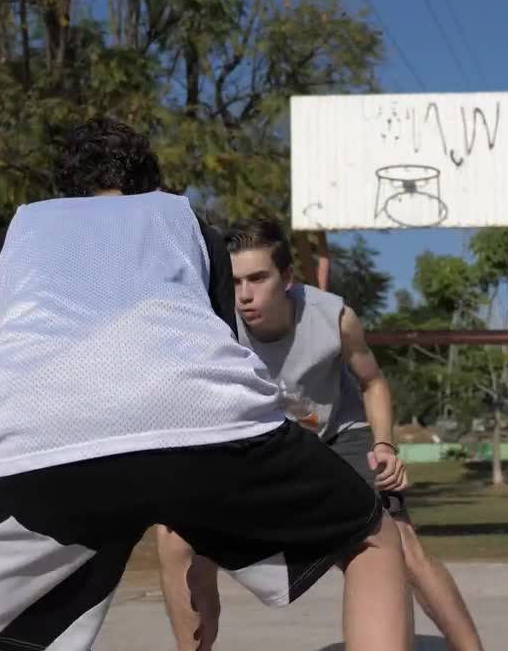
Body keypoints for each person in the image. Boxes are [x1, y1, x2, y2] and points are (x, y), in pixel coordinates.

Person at [0, 119, 412, 651]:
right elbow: (214, 346)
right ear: (149, 183)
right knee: (372, 539)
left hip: (36, 443)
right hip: (202, 425)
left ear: (63, 189)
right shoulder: (186, 223)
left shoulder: (18, 236)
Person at [156, 218, 485, 651]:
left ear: (287, 278)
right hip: (270, 446)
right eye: (235, 281)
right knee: (175, 538)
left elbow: (374, 384)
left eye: (258, 278)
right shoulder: (217, 326)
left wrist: (385, 446)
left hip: (339, 437)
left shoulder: (336, 318)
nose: (246, 294)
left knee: (402, 545)